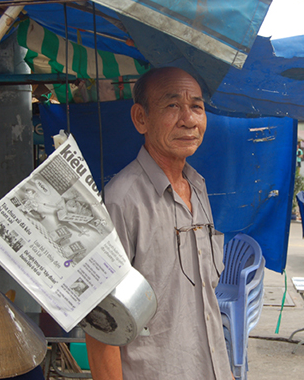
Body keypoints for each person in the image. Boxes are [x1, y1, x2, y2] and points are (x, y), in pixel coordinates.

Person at [85, 67, 233, 379]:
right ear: (141, 118)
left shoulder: (198, 187)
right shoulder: (121, 200)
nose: (188, 119)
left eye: (196, 106)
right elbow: (101, 324)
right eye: (172, 106)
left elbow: (205, 302)